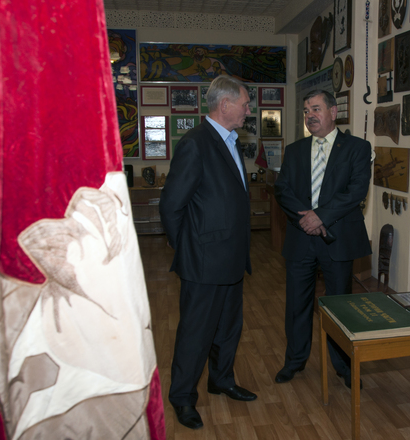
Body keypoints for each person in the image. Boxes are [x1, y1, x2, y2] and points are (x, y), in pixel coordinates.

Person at [159, 75, 257, 430]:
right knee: (196, 334)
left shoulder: (230, 140)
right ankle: (183, 397)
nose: (248, 110)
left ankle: (221, 379)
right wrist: (188, 249)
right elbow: (171, 206)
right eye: (245, 104)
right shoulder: (196, 143)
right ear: (225, 104)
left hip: (231, 257)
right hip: (203, 261)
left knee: (229, 328)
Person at [273, 89, 372, 388]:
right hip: (301, 237)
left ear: (333, 111)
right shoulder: (294, 150)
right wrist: (306, 219)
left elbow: (356, 190)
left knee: (339, 306)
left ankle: (343, 366)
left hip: (338, 237)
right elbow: (283, 190)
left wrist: (321, 216)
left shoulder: (357, 147)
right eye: (306, 111)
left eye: (316, 109)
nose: (310, 116)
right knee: (296, 304)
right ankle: (294, 361)